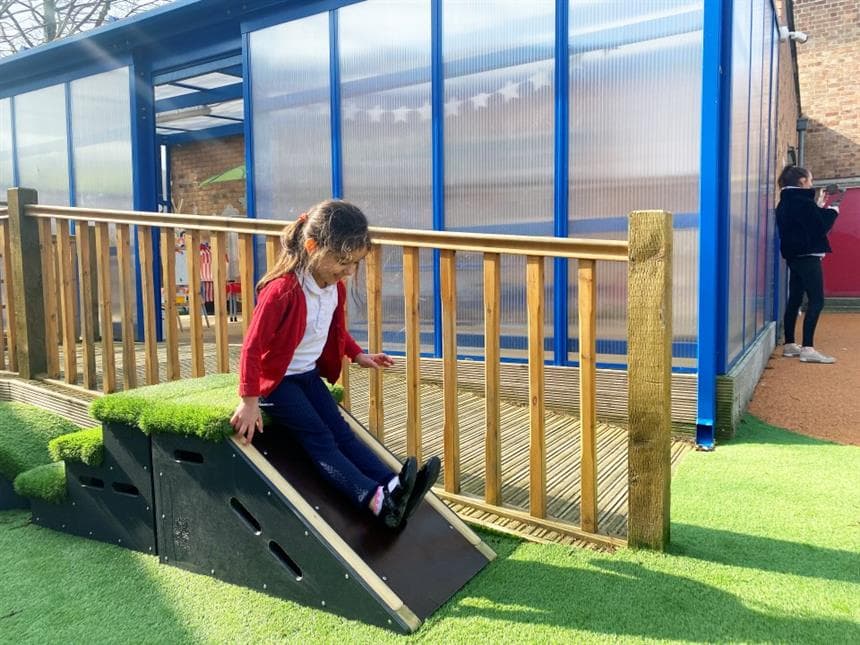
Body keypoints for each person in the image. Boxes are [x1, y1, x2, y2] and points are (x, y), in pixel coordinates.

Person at [230, 199, 440, 529]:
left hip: (308, 376)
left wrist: (358, 355)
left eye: (355, 263)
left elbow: (333, 330)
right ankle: (373, 499)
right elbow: (252, 348)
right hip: (278, 384)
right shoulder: (282, 290)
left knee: (343, 432)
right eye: (342, 262)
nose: (349, 271)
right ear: (313, 247)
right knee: (321, 439)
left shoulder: (333, 289)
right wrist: (249, 401)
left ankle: (395, 486)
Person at [775, 165, 844, 364]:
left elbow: (807, 223)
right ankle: (808, 348)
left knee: (795, 298)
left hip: (793, 256)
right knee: (817, 300)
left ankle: (790, 344)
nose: (812, 184)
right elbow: (820, 226)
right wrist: (833, 211)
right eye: (810, 180)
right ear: (802, 181)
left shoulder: (786, 202)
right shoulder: (801, 202)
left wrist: (819, 207)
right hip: (808, 255)